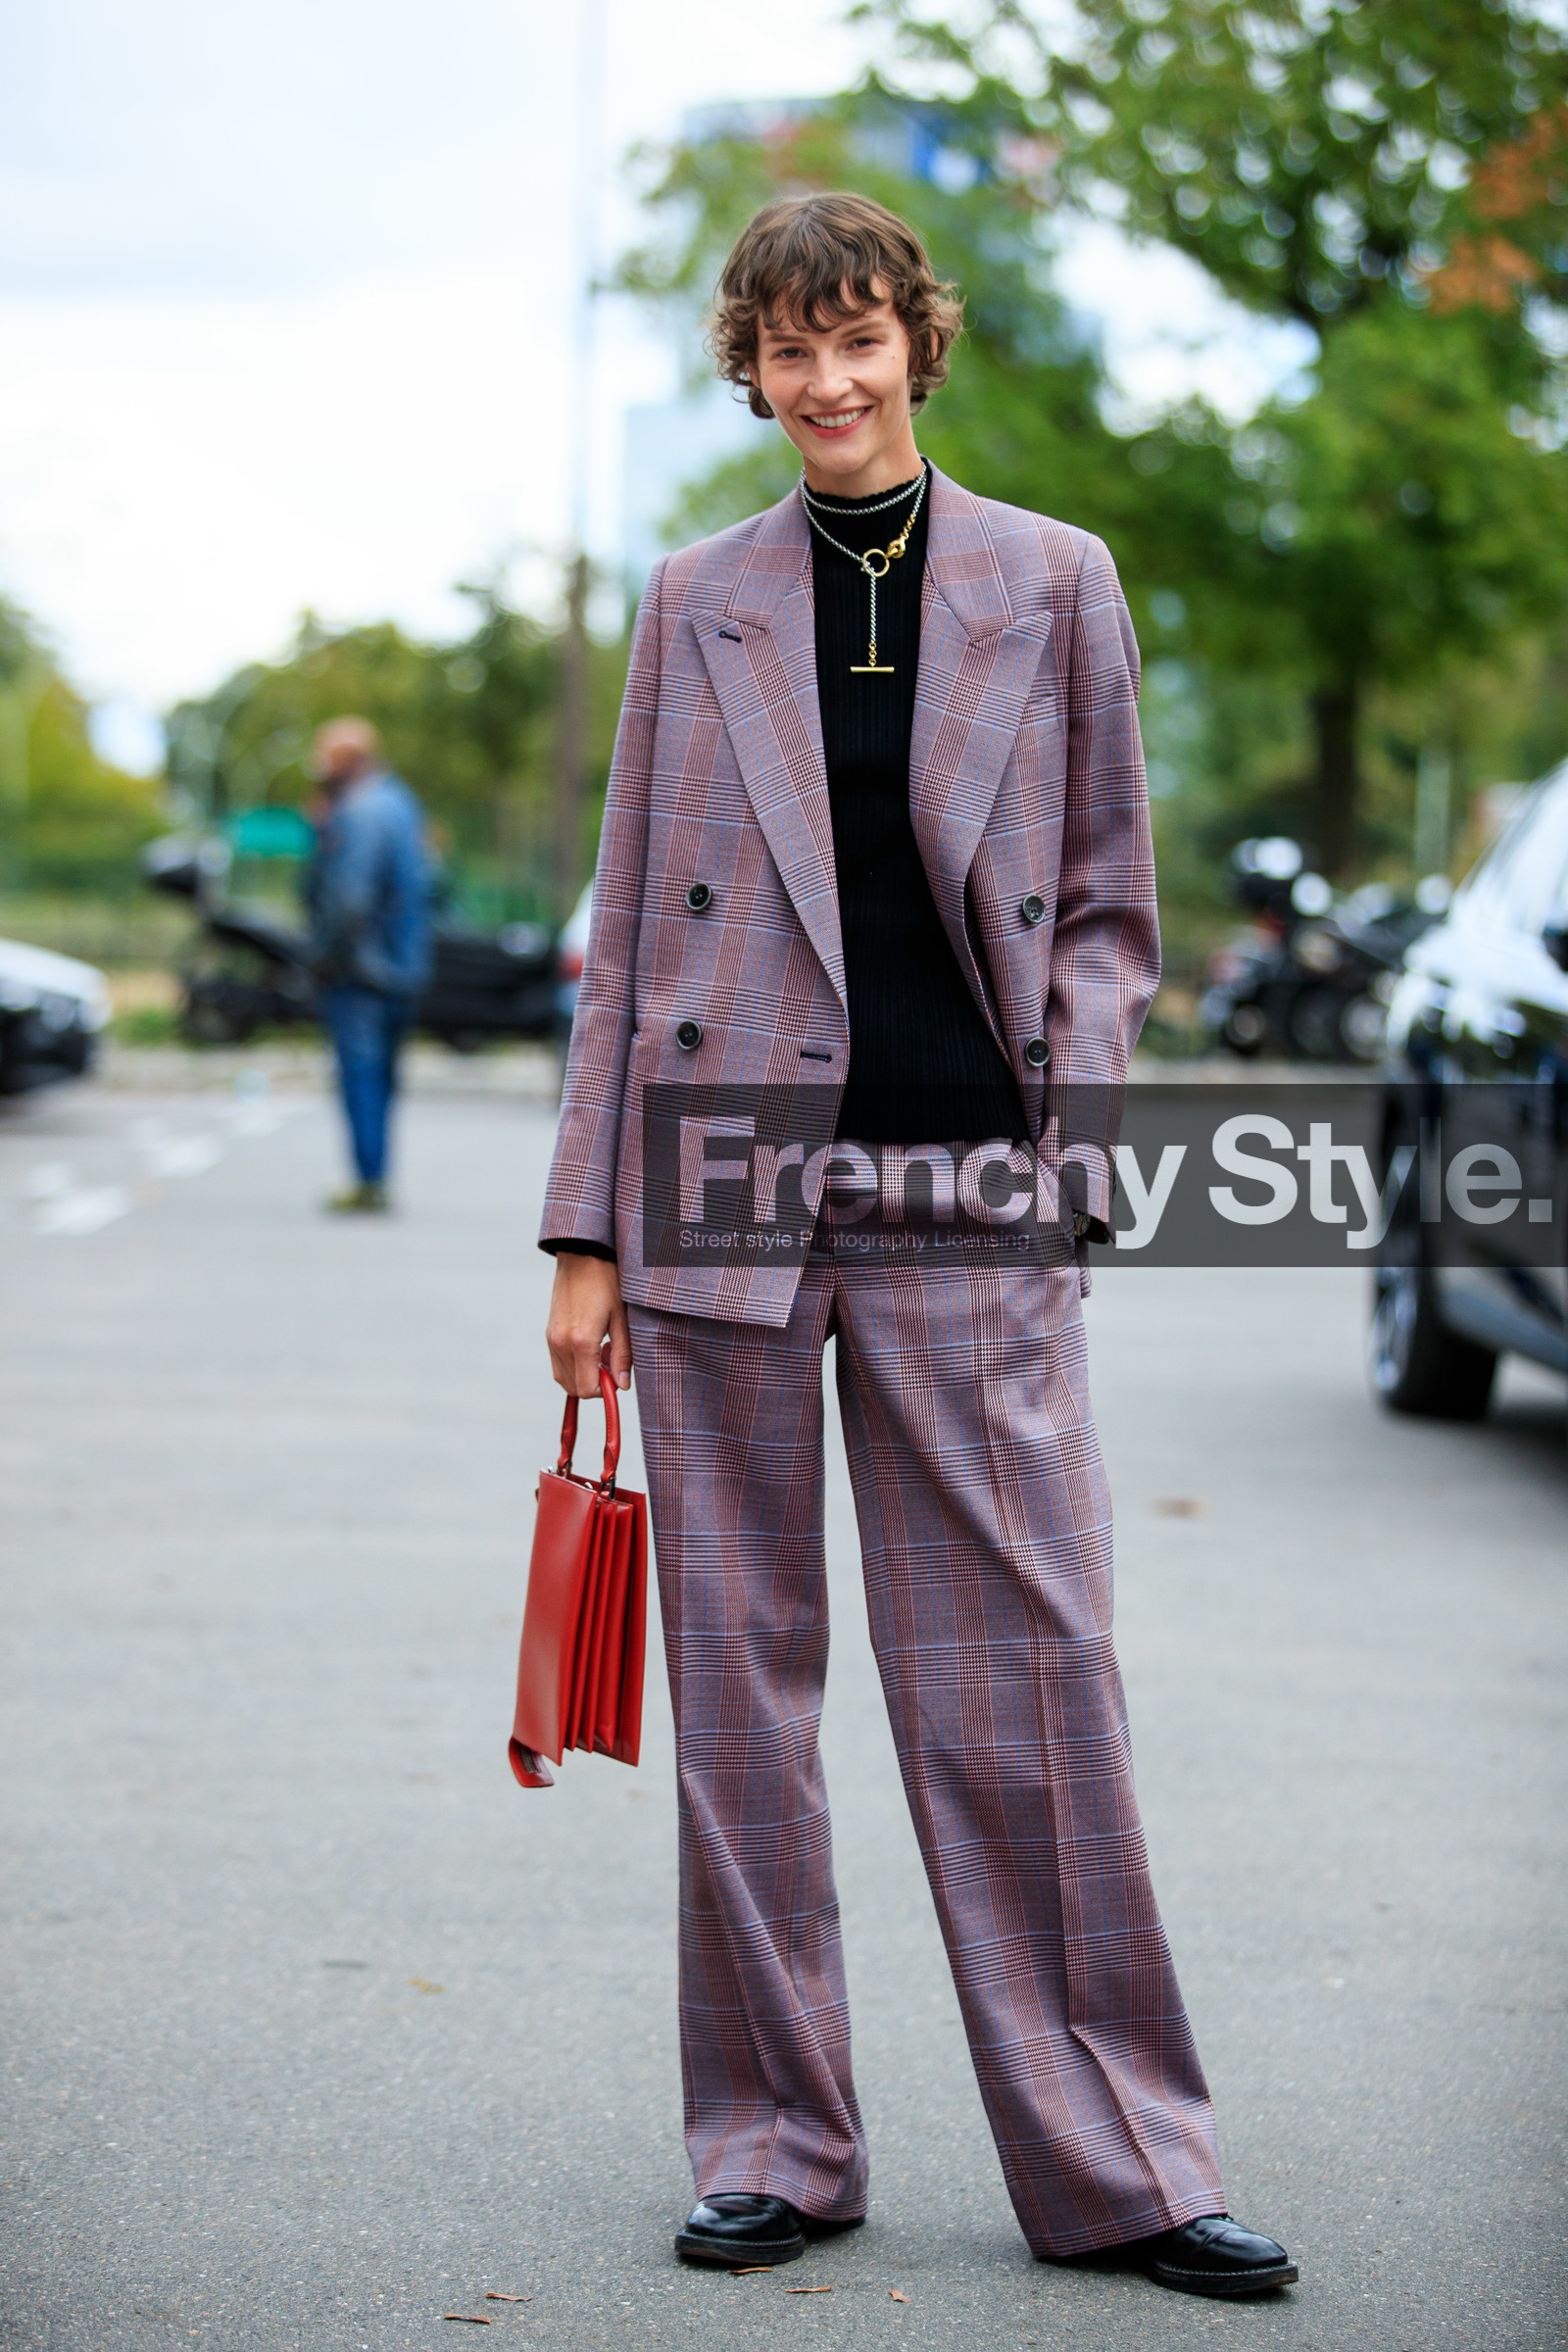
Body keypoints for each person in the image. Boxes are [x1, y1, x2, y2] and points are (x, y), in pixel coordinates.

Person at [538, 193, 1296, 2300]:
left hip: (969, 1184)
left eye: (854, 338)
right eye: (785, 352)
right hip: (713, 1177)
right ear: (749, 371)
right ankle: (773, 2143)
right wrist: (581, 1238)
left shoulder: (1053, 581)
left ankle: (1126, 2168)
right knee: (741, 1696)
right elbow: (619, 946)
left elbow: (1108, 905)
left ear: (914, 345)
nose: (825, 383)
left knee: (1030, 1684)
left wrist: (1073, 1156)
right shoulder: (692, 602)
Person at [305, 716, 430, 1211]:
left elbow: (349, 899)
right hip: (404, 966)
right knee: (384, 1077)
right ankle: (376, 1174)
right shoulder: (401, 803)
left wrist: (327, 958)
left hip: (363, 971)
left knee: (360, 1074)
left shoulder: (357, 812)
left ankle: (369, 1181)